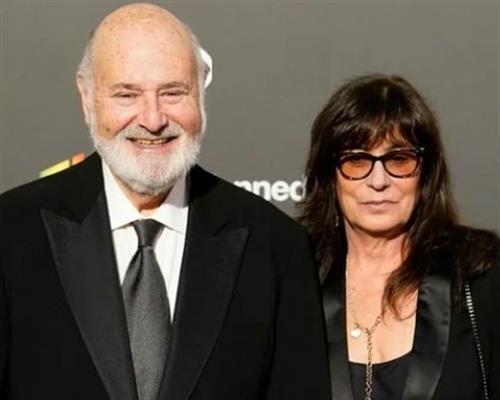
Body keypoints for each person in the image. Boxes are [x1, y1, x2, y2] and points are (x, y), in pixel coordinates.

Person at [0, 4, 330, 400]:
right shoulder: (11, 233)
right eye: (127, 94)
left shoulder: (275, 246)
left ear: (201, 93)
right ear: (87, 98)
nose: (153, 119)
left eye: (173, 93)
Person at [300, 74, 499, 400]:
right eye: (357, 160)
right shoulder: (295, 278)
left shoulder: (480, 275)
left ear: (425, 172)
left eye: (399, 159)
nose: (378, 181)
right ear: (329, 175)